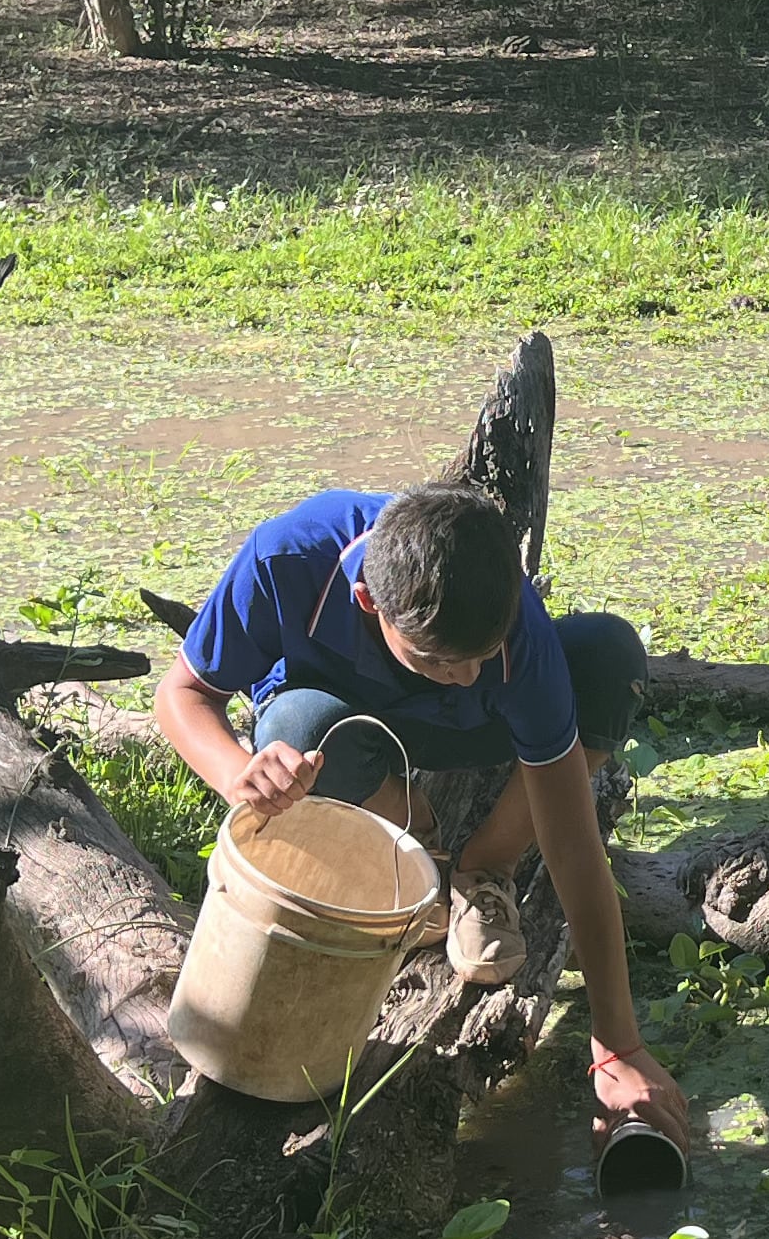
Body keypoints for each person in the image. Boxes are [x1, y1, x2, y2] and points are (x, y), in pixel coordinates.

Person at [155, 483, 691, 1151]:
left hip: (476, 733)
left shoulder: (512, 631)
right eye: (437, 658)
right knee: (301, 725)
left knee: (609, 655)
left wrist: (617, 1046)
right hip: (347, 725)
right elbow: (183, 694)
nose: (466, 674)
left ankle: (481, 868)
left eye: (481, 653)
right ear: (367, 602)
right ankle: (415, 849)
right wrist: (239, 772)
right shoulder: (287, 558)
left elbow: (575, 847)